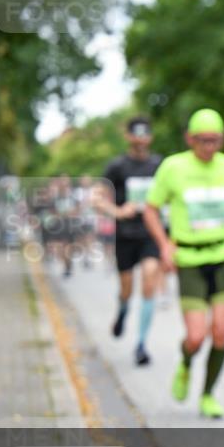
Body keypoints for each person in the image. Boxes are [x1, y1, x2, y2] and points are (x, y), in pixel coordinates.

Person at [143, 109, 224, 418]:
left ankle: (208, 394)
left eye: (215, 140)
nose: (209, 147)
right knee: (196, 336)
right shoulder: (174, 167)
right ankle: (185, 362)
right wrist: (164, 245)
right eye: (203, 141)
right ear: (189, 139)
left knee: (221, 332)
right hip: (190, 258)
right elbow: (151, 209)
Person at [98, 117, 164, 366]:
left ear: (150, 136)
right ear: (128, 136)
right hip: (125, 235)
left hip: (150, 233)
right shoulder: (117, 167)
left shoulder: (159, 165)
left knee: (149, 281)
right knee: (127, 289)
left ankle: (141, 344)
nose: (140, 138)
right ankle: (123, 311)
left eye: (145, 133)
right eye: (135, 133)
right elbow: (99, 198)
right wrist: (118, 211)